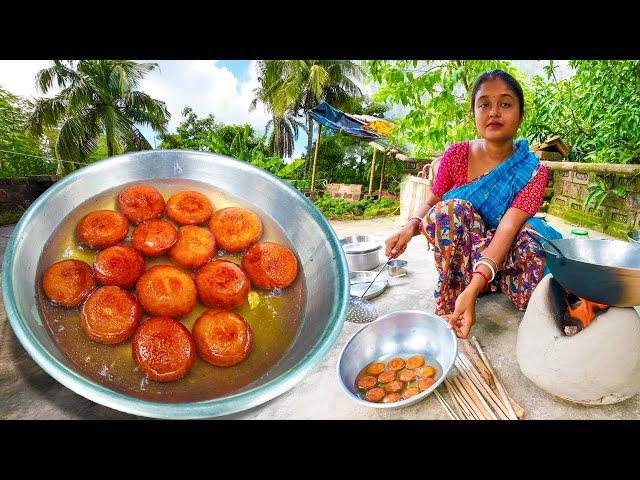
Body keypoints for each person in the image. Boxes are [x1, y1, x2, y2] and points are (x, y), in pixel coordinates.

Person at [385, 69, 562, 339]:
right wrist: (410, 227)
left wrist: (476, 285)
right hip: (463, 254)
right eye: (484, 104)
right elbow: (433, 199)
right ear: (474, 113)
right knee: (448, 211)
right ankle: (455, 291)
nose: (494, 112)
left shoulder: (533, 171)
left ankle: (485, 286)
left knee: (536, 236)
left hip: (504, 254)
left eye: (505, 103)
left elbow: (507, 228)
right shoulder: (456, 154)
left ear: (520, 114)